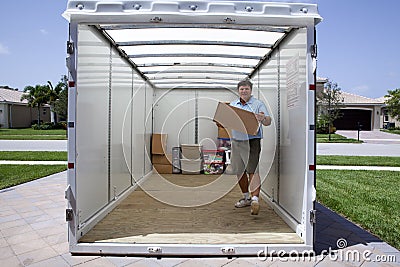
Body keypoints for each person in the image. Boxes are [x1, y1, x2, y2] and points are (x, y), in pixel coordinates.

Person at [230, 79, 271, 215]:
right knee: (239, 171)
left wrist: (263, 118)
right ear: (238, 91)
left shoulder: (258, 104)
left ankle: (255, 199)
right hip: (236, 141)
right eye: (241, 89)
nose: (244, 91)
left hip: (252, 141)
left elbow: (268, 121)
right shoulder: (233, 105)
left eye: (246, 88)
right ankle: (246, 198)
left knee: (252, 170)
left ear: (251, 90)